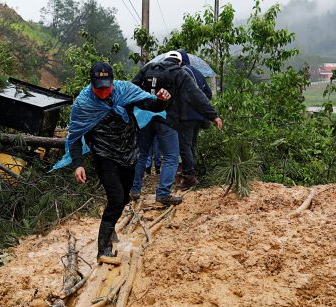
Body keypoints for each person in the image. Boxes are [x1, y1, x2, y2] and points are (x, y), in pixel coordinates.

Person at [51, 61, 170, 260]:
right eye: (99, 88)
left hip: (129, 152)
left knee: (123, 198)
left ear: (113, 82)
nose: (104, 92)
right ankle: (103, 249)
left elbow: (150, 104)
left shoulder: (125, 91)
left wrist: (162, 100)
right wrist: (78, 163)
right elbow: (75, 136)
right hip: (104, 155)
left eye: (107, 87)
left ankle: (111, 226)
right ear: (92, 84)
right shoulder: (84, 104)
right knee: (116, 198)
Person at [130, 51, 222, 204]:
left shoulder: (148, 68)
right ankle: (163, 194)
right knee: (171, 157)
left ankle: (134, 190)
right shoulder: (180, 73)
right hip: (167, 119)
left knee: (142, 154)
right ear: (179, 62)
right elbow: (196, 95)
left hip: (145, 119)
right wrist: (213, 115)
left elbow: (132, 88)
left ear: (165, 59)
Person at [177, 49, 215, 188]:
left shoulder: (183, 72)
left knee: (184, 146)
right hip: (198, 117)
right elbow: (208, 94)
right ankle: (192, 173)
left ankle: (189, 177)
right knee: (192, 144)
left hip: (187, 116)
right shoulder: (197, 72)